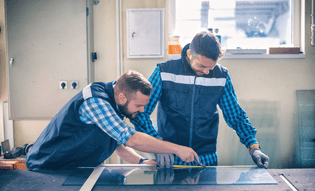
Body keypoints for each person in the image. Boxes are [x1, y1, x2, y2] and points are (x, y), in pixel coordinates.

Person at [130, 31, 269, 168]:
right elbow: (140, 112)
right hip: (171, 158)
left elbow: (236, 116)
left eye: (211, 67)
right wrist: (157, 144)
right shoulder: (164, 72)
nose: (207, 72)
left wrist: (253, 146)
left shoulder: (221, 76)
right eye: (202, 66)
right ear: (189, 54)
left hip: (206, 159)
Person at [26, 70, 199, 170]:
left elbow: (117, 144)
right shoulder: (95, 101)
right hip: (47, 167)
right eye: (139, 105)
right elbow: (130, 139)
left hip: (74, 168)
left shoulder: (116, 102)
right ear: (123, 97)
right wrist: (177, 149)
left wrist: (142, 162)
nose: (143, 110)